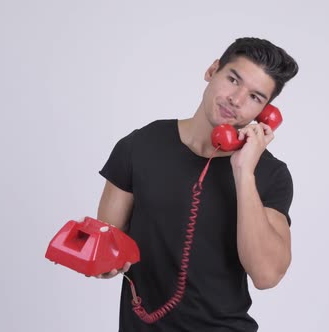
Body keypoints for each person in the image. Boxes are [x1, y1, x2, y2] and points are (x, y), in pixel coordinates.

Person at [95, 37, 298, 331]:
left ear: (265, 112)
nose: (236, 100)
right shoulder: (139, 146)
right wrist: (103, 260)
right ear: (212, 70)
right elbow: (107, 245)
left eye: (255, 97)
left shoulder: (270, 174)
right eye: (232, 79)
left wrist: (243, 172)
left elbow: (266, 275)